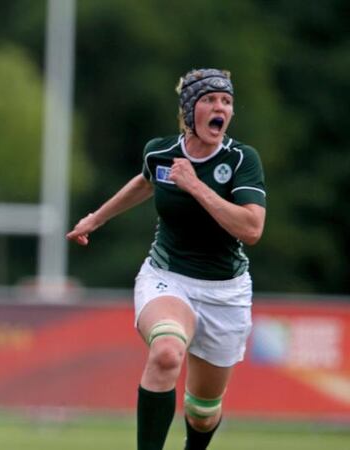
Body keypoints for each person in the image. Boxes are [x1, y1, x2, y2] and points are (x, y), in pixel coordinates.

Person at [67, 68, 266, 450]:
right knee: (166, 353)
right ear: (190, 109)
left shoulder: (242, 160)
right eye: (209, 99)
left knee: (202, 411)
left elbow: (252, 229)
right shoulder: (161, 152)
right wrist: (96, 218)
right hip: (168, 277)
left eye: (226, 101)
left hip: (226, 292)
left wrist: (196, 186)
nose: (219, 107)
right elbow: (145, 181)